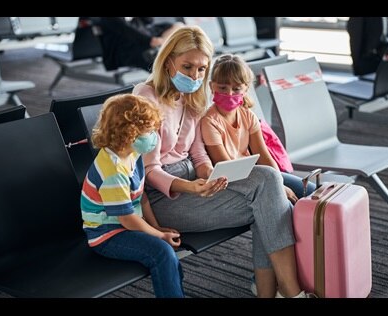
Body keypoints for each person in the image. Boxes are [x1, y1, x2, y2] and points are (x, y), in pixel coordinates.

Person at [133, 25, 315, 298]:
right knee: (268, 198)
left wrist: (210, 175)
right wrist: (193, 186)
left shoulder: (192, 96)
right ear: (169, 60)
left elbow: (197, 155)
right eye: (188, 66)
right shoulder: (146, 97)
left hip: (195, 180)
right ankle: (290, 291)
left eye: (202, 69)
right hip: (162, 198)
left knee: (267, 183)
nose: (195, 75)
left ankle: (273, 291)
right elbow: (150, 170)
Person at [80, 94, 184, 298]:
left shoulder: (132, 155)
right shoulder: (113, 171)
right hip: (107, 235)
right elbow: (127, 219)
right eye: (149, 131)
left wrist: (155, 227)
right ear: (129, 134)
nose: (154, 135)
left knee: (166, 252)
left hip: (124, 225)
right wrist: (160, 236)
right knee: (161, 253)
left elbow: (140, 196)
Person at [201, 53, 316, 206]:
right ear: (211, 86)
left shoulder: (248, 116)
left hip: (256, 173)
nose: (229, 94)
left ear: (246, 88)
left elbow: (264, 156)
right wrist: (277, 187)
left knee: (312, 192)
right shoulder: (209, 121)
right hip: (232, 181)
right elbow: (227, 168)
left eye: (236, 89)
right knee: (285, 203)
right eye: (222, 88)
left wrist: (279, 182)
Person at [96, 17, 183, 72]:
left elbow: (149, 21)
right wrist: (153, 41)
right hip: (128, 49)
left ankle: (161, 47)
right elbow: (131, 33)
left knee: (178, 26)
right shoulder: (110, 19)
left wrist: (159, 40)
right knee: (165, 61)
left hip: (149, 40)